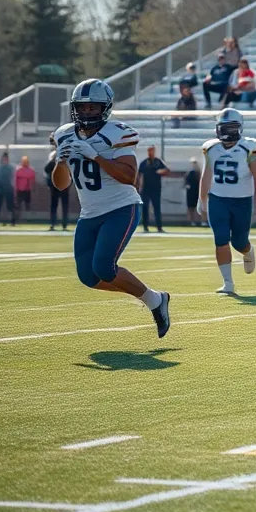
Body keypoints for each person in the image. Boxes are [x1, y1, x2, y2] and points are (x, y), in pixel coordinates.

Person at [51, 79, 171, 336]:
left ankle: (154, 302)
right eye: (82, 108)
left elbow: (130, 177)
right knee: (89, 276)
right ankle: (155, 299)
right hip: (89, 213)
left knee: (104, 267)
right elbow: (61, 185)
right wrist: (61, 162)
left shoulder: (118, 133)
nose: (86, 113)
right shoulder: (64, 134)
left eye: (93, 108)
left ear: (105, 108)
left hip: (121, 208)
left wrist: (95, 155)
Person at [198, 108, 256, 293]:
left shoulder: (249, 147)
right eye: (225, 128)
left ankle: (248, 250)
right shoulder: (210, 148)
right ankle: (228, 282)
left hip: (242, 200)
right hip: (218, 199)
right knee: (220, 239)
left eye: (232, 128)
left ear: (240, 128)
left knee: (239, 242)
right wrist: (202, 198)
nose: (228, 132)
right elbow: (206, 174)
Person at [136, 146, 170, 233]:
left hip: (156, 188)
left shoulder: (158, 162)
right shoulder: (144, 163)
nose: (151, 153)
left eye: (152, 151)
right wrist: (138, 187)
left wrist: (162, 171)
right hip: (146, 189)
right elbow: (139, 175)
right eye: (149, 151)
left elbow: (167, 170)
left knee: (157, 208)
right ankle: (145, 227)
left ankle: (159, 227)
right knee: (145, 208)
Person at [44, 134, 70, 230]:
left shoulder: (65, 157)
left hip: (63, 185)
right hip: (56, 186)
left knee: (62, 205)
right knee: (57, 205)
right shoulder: (55, 157)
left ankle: (61, 224)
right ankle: (55, 223)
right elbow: (46, 169)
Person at [10, 154, 35, 224]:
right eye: (24, 161)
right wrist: (15, 190)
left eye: (26, 161)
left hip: (27, 190)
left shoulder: (31, 170)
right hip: (19, 190)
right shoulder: (19, 170)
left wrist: (32, 188)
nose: (25, 163)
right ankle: (14, 221)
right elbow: (15, 181)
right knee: (17, 206)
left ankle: (26, 219)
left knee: (28, 206)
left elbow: (32, 179)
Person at [184, 158, 202, 227]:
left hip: (197, 191)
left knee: (198, 208)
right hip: (190, 192)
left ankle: (200, 221)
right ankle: (192, 221)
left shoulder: (199, 173)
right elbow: (186, 181)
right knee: (191, 207)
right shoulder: (189, 173)